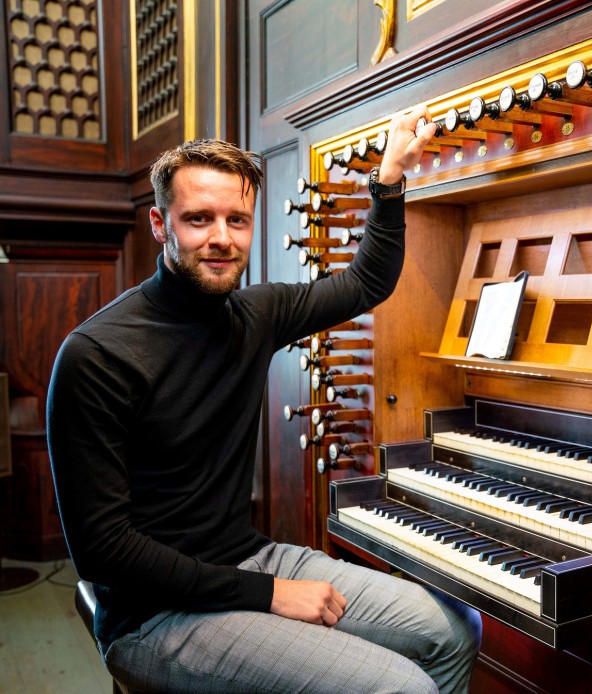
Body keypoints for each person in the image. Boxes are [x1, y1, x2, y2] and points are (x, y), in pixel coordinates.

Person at [46, 105, 482, 694]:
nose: (222, 238)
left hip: (244, 560)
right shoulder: (97, 354)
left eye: (237, 220)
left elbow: (365, 283)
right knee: (401, 687)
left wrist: (389, 179)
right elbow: (104, 554)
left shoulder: (255, 314)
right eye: (199, 219)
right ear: (159, 223)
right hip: (151, 616)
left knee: (454, 630)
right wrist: (269, 594)